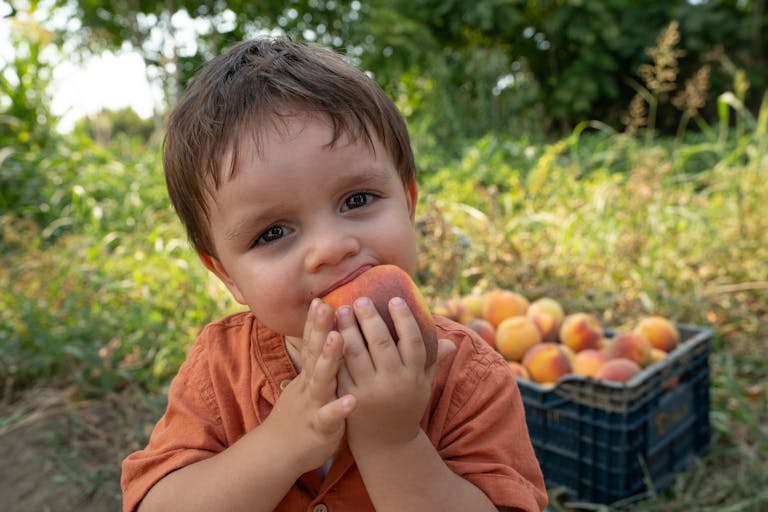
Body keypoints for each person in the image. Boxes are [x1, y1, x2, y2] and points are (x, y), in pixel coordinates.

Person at [121, 36, 548, 512]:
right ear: (228, 277)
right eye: (273, 232)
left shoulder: (469, 378)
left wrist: (393, 442)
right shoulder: (219, 370)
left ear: (408, 204)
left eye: (357, 199)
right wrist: (279, 445)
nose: (329, 248)